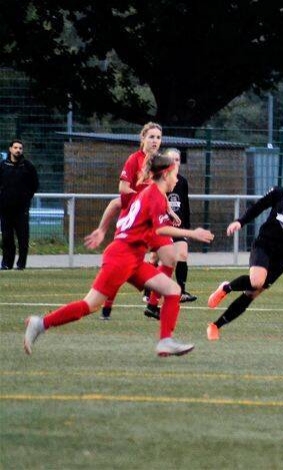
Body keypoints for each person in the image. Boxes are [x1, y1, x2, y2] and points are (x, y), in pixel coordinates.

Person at [23, 153, 215, 357]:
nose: (177, 179)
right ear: (166, 174)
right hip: (122, 257)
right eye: (175, 174)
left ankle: (165, 341)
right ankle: (41, 323)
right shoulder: (154, 196)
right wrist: (192, 233)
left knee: (173, 290)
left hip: (132, 257)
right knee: (90, 304)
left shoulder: (151, 193)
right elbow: (160, 230)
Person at [206, 157, 283, 340]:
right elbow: (258, 207)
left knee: (252, 293)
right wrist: (240, 222)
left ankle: (215, 326)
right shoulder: (280, 192)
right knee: (257, 281)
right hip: (265, 245)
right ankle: (226, 288)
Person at [91, 122, 180, 321]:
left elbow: (160, 190)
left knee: (170, 257)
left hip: (152, 221)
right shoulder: (134, 159)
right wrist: (140, 198)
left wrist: (168, 209)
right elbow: (123, 188)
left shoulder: (160, 162)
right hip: (134, 220)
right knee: (121, 266)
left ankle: (153, 304)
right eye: (151, 137)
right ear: (143, 139)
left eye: (158, 137)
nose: (155, 141)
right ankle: (107, 307)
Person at [163, 148, 197, 303]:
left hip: (178, 227)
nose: (175, 162)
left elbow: (185, 205)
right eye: (171, 159)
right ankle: (149, 292)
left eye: (177, 159)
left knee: (182, 254)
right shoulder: (159, 179)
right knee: (158, 258)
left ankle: (181, 292)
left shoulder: (182, 181)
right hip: (162, 225)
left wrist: (186, 227)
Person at [0, 139, 39, 270]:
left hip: (22, 210)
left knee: (23, 238)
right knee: (7, 238)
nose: (18, 150)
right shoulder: (3, 166)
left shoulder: (27, 167)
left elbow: (34, 185)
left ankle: (21, 264)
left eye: (20, 148)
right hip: (5, 209)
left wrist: (26, 198)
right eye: (15, 148)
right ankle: (6, 263)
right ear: (10, 149)